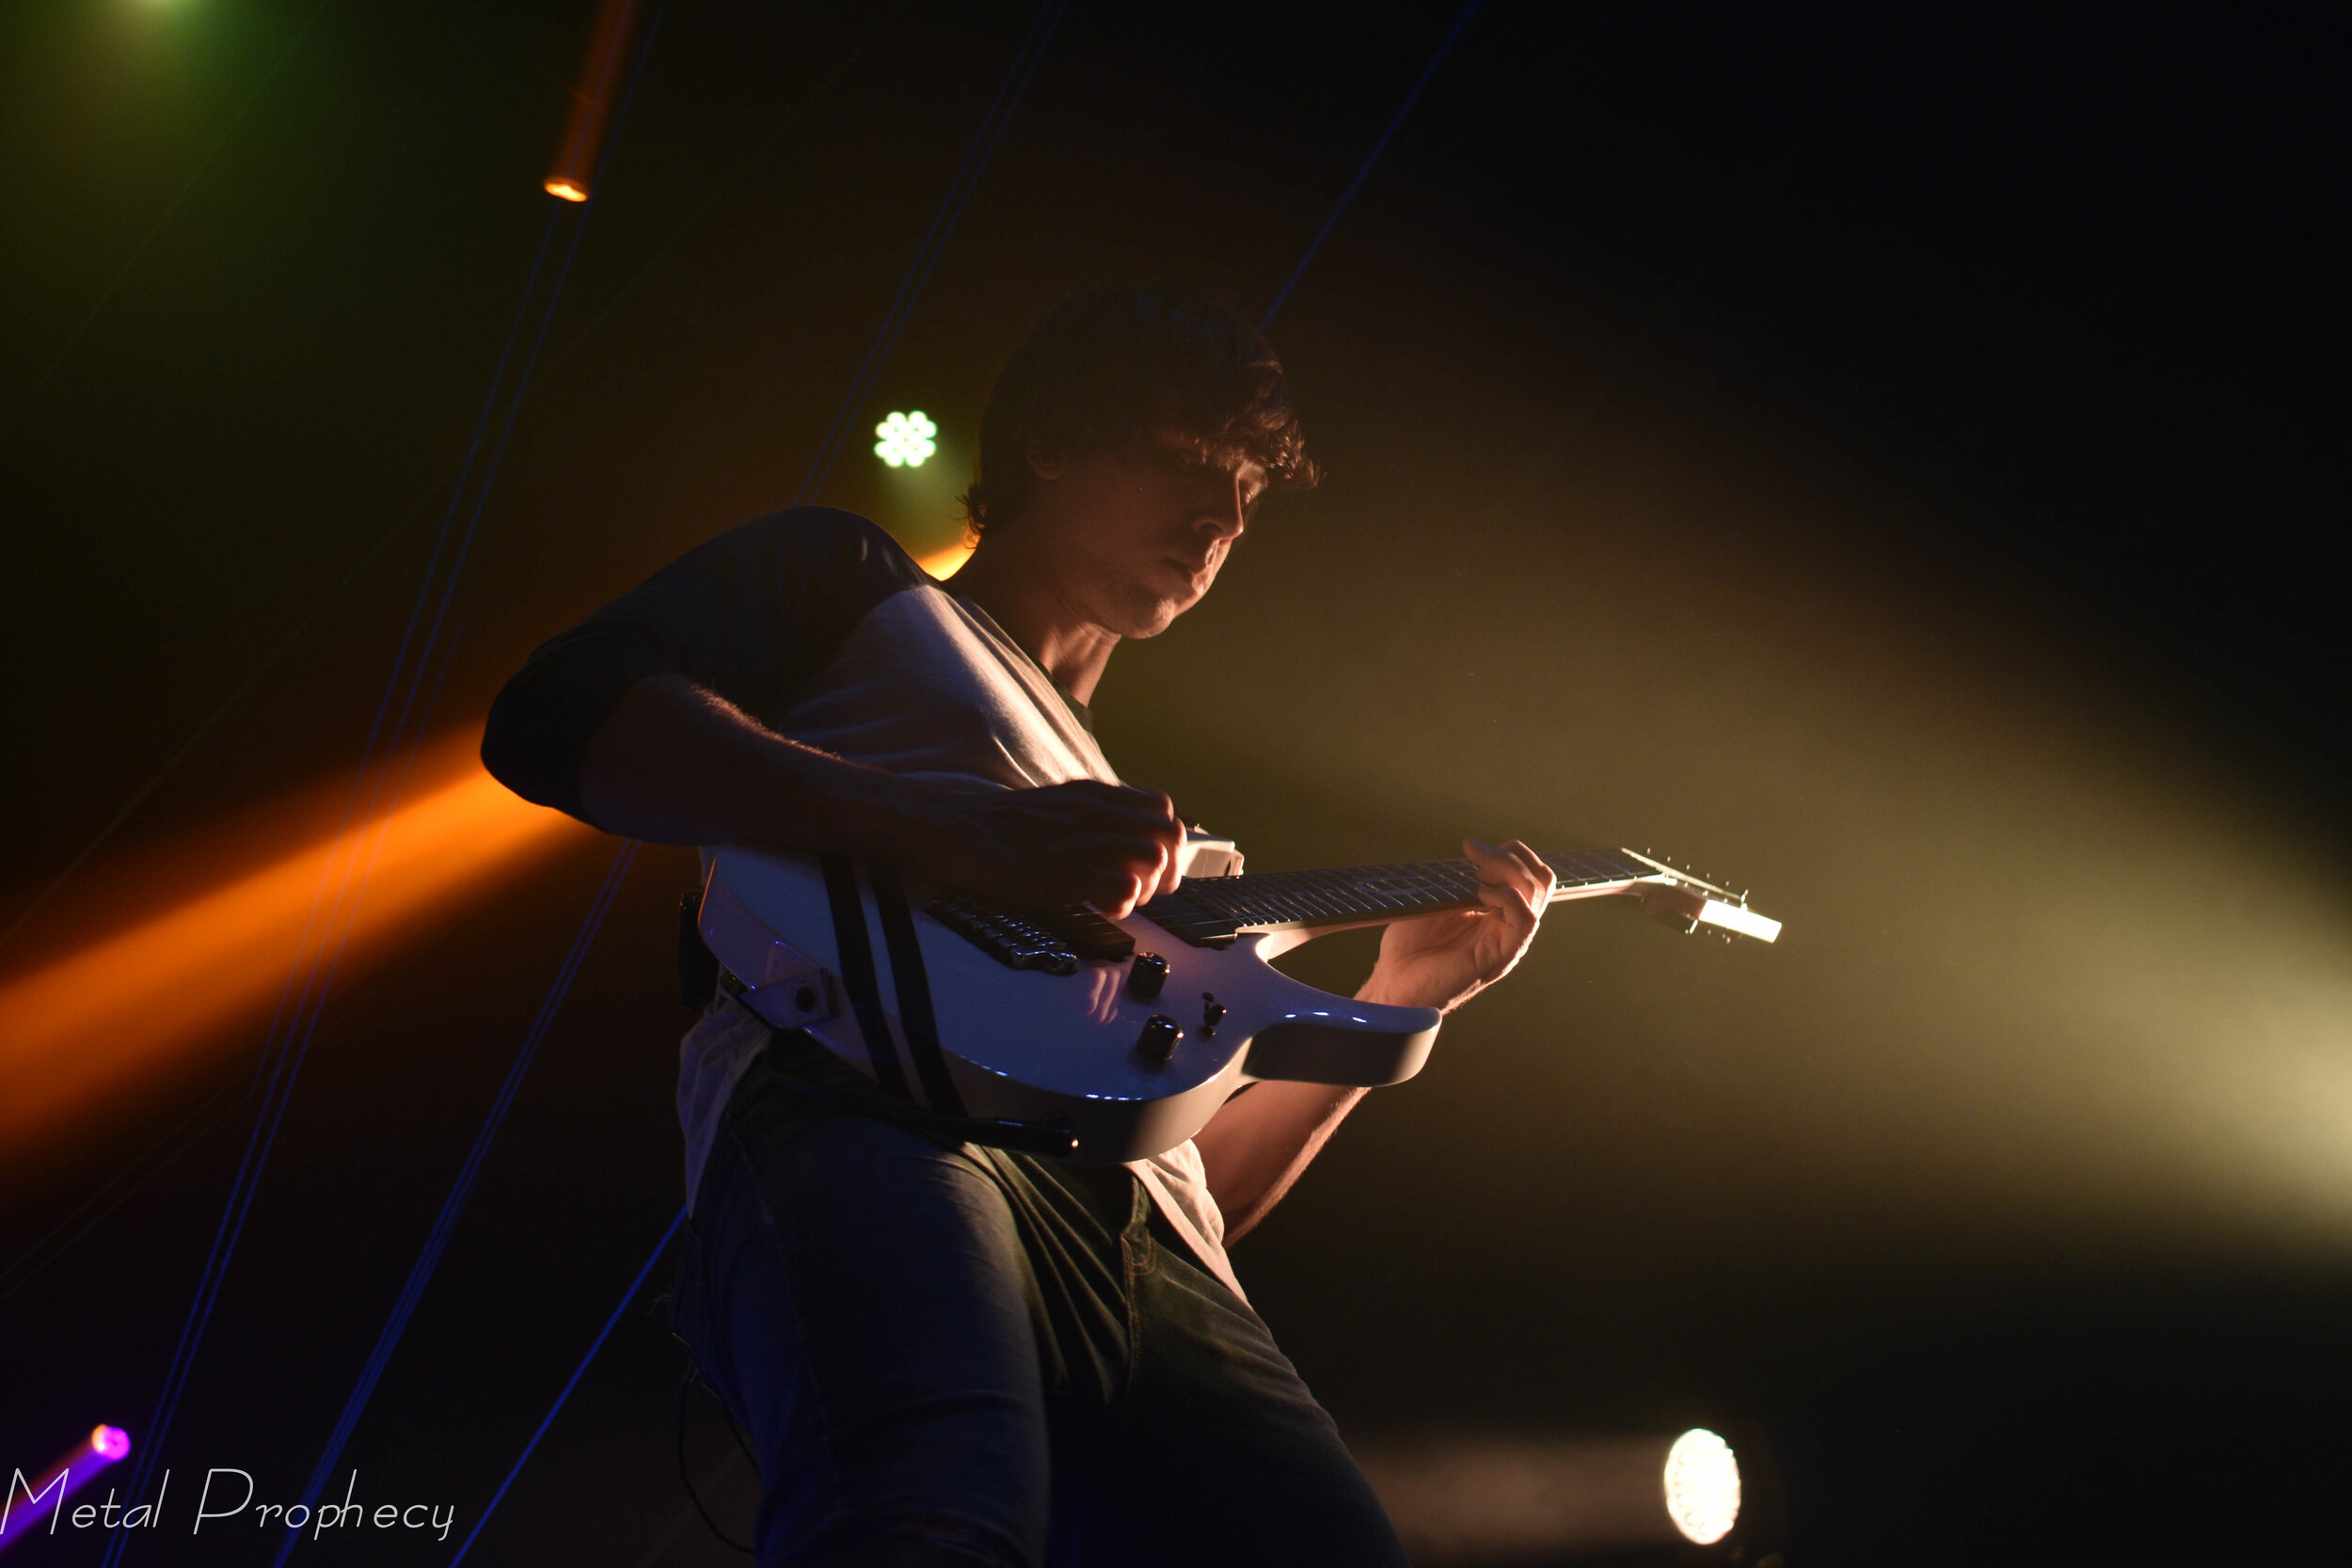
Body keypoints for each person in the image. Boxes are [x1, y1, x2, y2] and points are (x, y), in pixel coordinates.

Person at [481, 289, 1553, 1567]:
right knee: (929, 1527)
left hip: (1152, 1253)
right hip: (875, 1116)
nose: (1222, 519)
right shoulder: (858, 585)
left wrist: (1400, 998)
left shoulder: (1145, 821)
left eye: (1248, 498)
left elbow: (1182, 1172)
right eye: (1191, 461)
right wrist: (961, 833)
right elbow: (553, 711)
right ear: (1053, 440)